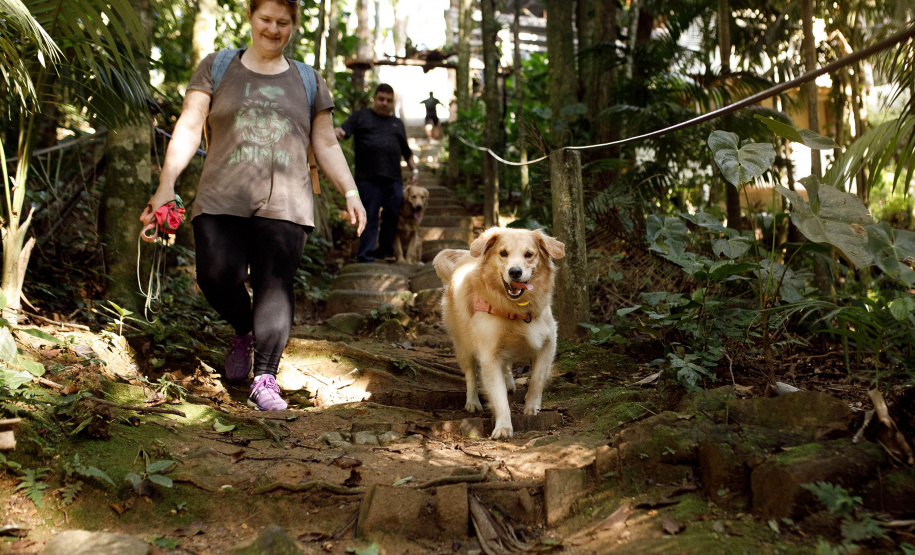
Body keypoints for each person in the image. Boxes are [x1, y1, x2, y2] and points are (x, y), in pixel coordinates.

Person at [141, 0, 366, 411]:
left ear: (293, 25)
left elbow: (326, 142)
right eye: (266, 19)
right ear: (250, 17)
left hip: (287, 201)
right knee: (215, 276)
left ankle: (265, 377)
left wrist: (351, 192)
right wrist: (166, 184)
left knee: (274, 283)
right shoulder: (217, 66)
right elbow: (189, 124)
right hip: (221, 195)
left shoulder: (308, 80)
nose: (273, 30)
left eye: (283, 22)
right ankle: (244, 331)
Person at [335, 84, 419, 263]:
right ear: (374, 99)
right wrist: (331, 132)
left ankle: (386, 251)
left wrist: (415, 170)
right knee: (370, 214)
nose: (384, 103)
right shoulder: (360, 116)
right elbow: (342, 132)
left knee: (392, 214)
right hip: (368, 177)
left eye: (388, 100)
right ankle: (365, 255)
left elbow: (406, 151)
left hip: (393, 179)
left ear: (393, 102)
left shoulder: (397, 123)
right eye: (381, 99)